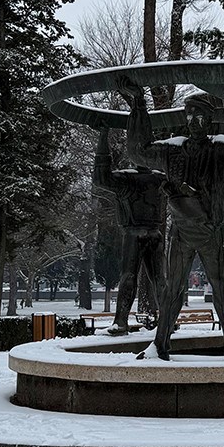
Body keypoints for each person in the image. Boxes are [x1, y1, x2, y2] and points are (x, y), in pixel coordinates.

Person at [121, 80, 224, 360]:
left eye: (199, 114)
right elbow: (138, 151)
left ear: (210, 119)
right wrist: (139, 103)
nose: (193, 120)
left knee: (220, 286)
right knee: (172, 288)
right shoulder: (172, 150)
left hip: (212, 230)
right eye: (188, 114)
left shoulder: (223, 149)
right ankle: (159, 345)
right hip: (181, 231)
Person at [93, 129, 166, 334]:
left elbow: (101, 178)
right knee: (160, 278)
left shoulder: (127, 179)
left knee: (129, 277)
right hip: (155, 233)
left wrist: (102, 138)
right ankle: (166, 319)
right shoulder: (160, 178)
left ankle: (121, 321)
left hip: (135, 234)